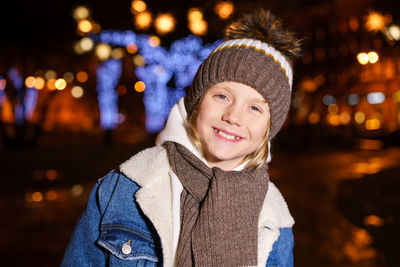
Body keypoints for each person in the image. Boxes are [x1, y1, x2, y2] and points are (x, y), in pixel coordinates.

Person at [62, 9, 302, 267]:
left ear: (270, 127)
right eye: (222, 96)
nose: (233, 116)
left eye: (255, 108)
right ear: (197, 102)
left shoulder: (275, 218)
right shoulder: (123, 188)